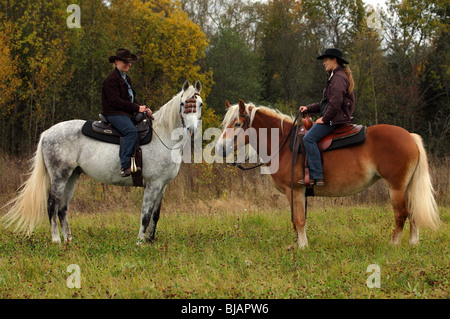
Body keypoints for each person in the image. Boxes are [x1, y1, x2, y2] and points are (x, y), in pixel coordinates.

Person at [298, 48, 355, 186]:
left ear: (334, 60)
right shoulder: (335, 76)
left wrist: (324, 119)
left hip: (335, 119)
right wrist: (308, 108)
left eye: (326, 60)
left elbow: (335, 104)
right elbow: (326, 103)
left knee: (309, 138)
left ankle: (316, 176)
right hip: (335, 117)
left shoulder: (338, 78)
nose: (324, 63)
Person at [101, 48, 152, 177]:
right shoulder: (111, 79)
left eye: (129, 62)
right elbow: (115, 101)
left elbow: (131, 98)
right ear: (117, 61)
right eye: (125, 62)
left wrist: (143, 108)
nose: (128, 65)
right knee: (130, 131)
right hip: (113, 112)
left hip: (125, 112)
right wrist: (136, 109)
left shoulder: (126, 78)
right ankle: (125, 165)